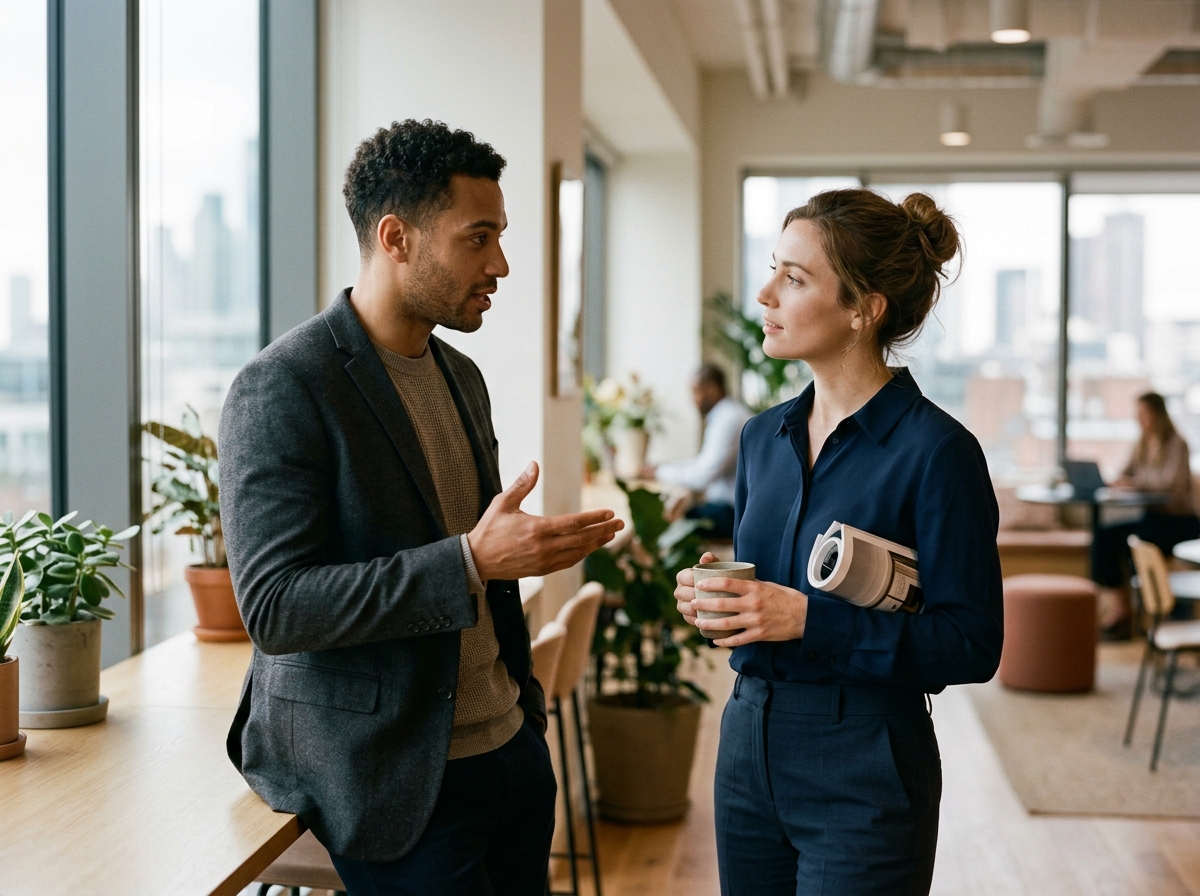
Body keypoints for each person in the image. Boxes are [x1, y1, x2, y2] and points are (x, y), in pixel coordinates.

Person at [219, 119, 623, 894]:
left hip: (506, 748)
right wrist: (470, 561)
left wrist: (523, 714)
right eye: (478, 238)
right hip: (393, 778)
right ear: (396, 236)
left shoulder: (462, 376)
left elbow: (475, 562)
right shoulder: (283, 386)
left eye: (500, 236)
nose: (500, 263)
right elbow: (274, 608)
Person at [674, 189, 1003, 896]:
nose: (765, 294)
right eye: (774, 271)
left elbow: (973, 644)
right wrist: (720, 599)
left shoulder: (938, 452)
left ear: (863, 308)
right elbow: (767, 587)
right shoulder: (761, 438)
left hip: (867, 763)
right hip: (746, 746)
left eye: (794, 279)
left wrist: (807, 619)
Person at [1092, 392, 1199, 638]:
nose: (1140, 419)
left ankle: (1137, 613)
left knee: (1131, 540)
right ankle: (1120, 609)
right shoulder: (1142, 443)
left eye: (1144, 414)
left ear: (1158, 414)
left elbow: (1170, 485)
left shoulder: (1177, 444)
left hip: (1180, 522)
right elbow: (1125, 472)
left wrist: (1135, 483)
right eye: (1137, 414)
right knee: (1105, 535)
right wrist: (1119, 481)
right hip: (1153, 517)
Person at [643, 363, 753, 538]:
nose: (693, 400)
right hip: (732, 508)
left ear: (711, 389)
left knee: (666, 521)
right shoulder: (726, 414)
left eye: (695, 391)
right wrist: (662, 468)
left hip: (733, 513)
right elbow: (702, 463)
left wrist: (659, 472)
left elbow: (702, 475)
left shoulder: (729, 419)